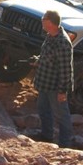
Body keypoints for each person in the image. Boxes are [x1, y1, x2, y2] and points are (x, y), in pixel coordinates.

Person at [32, 9, 75, 147]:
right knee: (43, 109)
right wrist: (38, 60)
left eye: (44, 19)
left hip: (55, 87)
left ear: (50, 22)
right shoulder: (50, 36)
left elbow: (66, 70)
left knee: (62, 115)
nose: (41, 21)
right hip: (44, 83)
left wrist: (63, 91)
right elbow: (49, 57)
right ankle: (46, 136)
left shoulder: (62, 43)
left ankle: (65, 143)